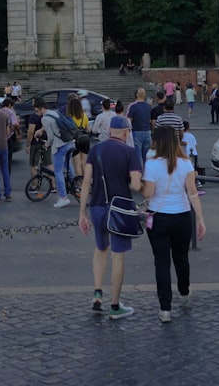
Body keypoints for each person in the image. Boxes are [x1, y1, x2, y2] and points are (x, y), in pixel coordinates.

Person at [78, 115, 143, 320]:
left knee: (100, 249)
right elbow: (136, 185)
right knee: (118, 256)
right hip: (119, 211)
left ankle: (98, 293)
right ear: (126, 132)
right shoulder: (130, 152)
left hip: (97, 207)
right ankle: (115, 306)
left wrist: (82, 213)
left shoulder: (96, 150)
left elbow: (86, 182)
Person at [142, 126, 206, 322]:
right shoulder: (186, 164)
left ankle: (165, 308)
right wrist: (201, 219)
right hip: (182, 215)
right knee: (181, 257)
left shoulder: (151, 165)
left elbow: (148, 194)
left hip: (158, 216)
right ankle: (184, 292)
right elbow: (192, 193)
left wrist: (137, 185)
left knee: (161, 262)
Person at [38, 97, 75, 208]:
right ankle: (75, 184)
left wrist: (47, 144)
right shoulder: (54, 113)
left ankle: (63, 198)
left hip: (60, 145)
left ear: (41, 109)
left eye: (37, 111)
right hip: (70, 142)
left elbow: (50, 136)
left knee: (58, 171)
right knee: (68, 165)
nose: (37, 113)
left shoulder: (44, 119)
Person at [68, 94, 91, 177]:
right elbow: (88, 129)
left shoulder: (70, 117)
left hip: (75, 141)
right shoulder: (84, 115)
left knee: (77, 165)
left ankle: (79, 184)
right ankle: (86, 183)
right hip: (85, 140)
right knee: (84, 163)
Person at [128, 88, 153, 163]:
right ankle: (146, 172)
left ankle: (139, 172)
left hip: (137, 131)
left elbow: (129, 121)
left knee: (138, 155)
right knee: (146, 155)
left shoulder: (133, 107)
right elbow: (150, 120)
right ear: (145, 96)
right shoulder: (148, 107)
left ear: (136, 95)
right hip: (147, 131)